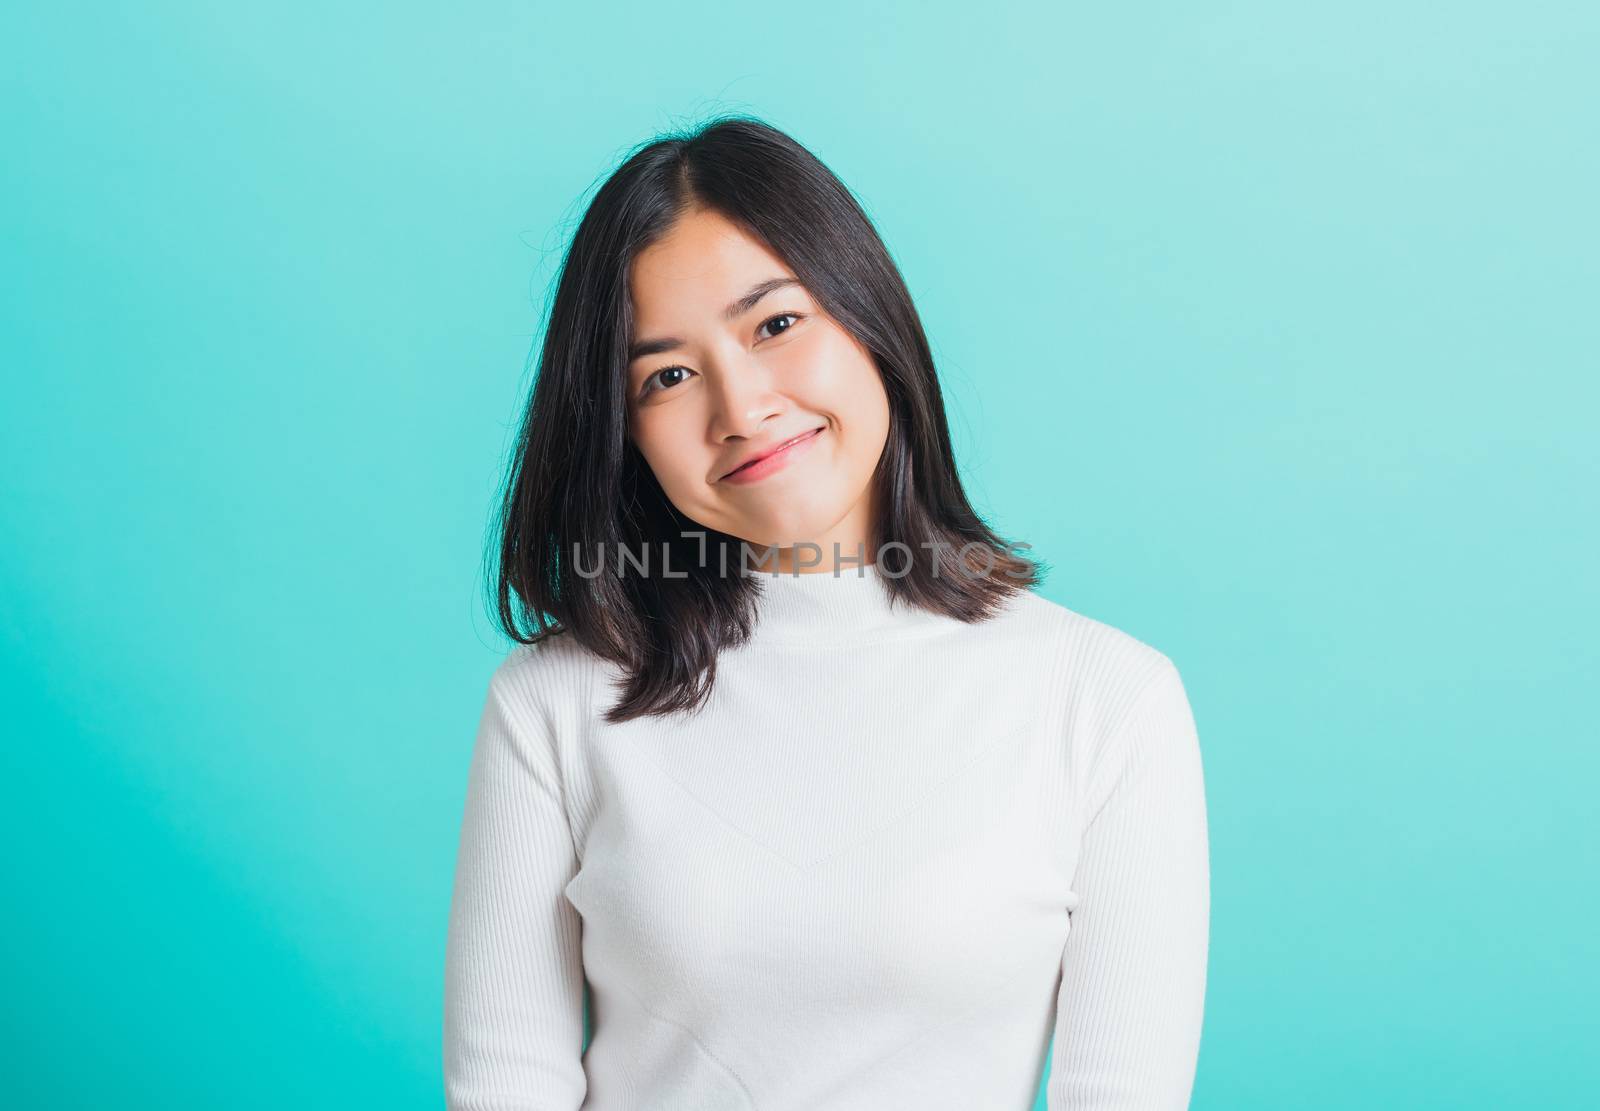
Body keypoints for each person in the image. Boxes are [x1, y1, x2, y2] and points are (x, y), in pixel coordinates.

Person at [443, 115, 1210, 1110]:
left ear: (869, 319)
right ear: (622, 432)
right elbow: (506, 1081)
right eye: (666, 376)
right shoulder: (552, 701)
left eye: (775, 323)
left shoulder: (1107, 700)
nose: (741, 406)